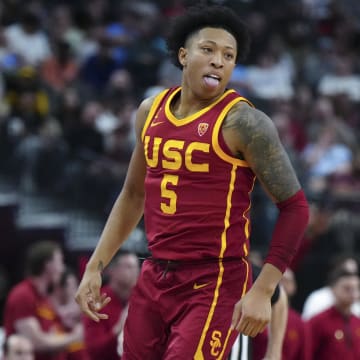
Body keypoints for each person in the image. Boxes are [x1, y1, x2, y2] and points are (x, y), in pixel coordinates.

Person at [75, 5, 309, 359]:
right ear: (183, 55)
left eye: (228, 56)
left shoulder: (244, 122)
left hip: (213, 281)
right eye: (209, 50)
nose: (219, 61)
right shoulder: (149, 111)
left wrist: (263, 289)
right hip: (155, 274)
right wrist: (96, 265)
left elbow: (295, 208)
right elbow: (134, 194)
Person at [3, 241, 83, 360]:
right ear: (48, 265)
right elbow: (34, 342)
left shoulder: (44, 298)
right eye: (60, 261)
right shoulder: (23, 294)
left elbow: (54, 332)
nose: (62, 269)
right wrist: (75, 337)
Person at [83, 251, 140, 360]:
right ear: (112, 270)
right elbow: (94, 350)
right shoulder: (96, 302)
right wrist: (119, 328)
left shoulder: (141, 300)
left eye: (136, 267)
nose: (135, 271)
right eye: (128, 267)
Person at [307, 268, 360, 359]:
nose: (353, 293)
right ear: (333, 289)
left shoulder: (357, 322)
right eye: (347, 288)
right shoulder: (318, 322)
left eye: (356, 288)